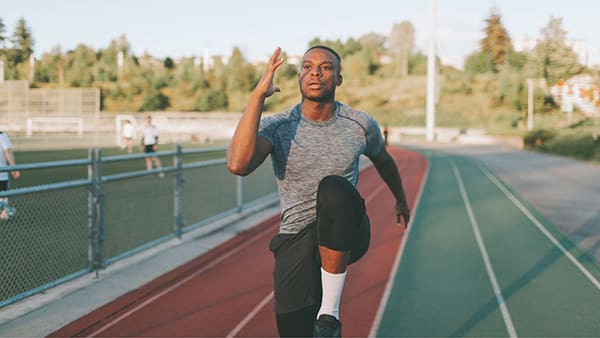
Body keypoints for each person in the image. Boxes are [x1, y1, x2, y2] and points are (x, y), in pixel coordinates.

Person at [227, 46, 410, 337]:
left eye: (325, 67)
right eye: (307, 66)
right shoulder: (278, 126)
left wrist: (400, 199)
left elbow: (384, 161)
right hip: (296, 237)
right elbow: (238, 165)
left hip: (346, 227)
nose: (315, 71)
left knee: (333, 188)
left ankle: (330, 314)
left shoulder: (359, 124)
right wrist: (257, 96)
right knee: (293, 331)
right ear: (299, 76)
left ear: (338, 78)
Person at [0, 131, 20, 221]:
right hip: (1, 173)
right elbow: (7, 150)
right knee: (3, 197)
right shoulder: (2, 135)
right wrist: (13, 167)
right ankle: (3, 214)